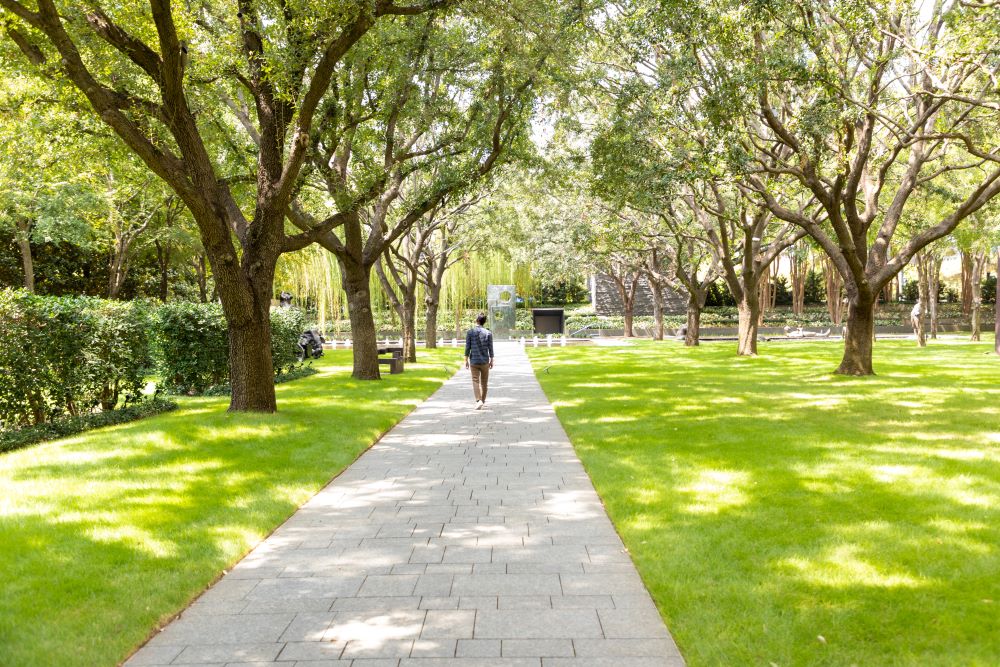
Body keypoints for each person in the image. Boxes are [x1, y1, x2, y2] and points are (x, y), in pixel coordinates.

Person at [464, 312, 495, 410]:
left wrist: (466, 360)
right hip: (485, 361)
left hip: (474, 361)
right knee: (484, 382)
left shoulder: (470, 332)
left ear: (477, 320)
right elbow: (491, 348)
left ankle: (478, 401)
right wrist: (492, 360)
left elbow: (467, 348)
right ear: (484, 322)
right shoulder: (488, 333)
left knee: (475, 380)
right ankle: (482, 401)